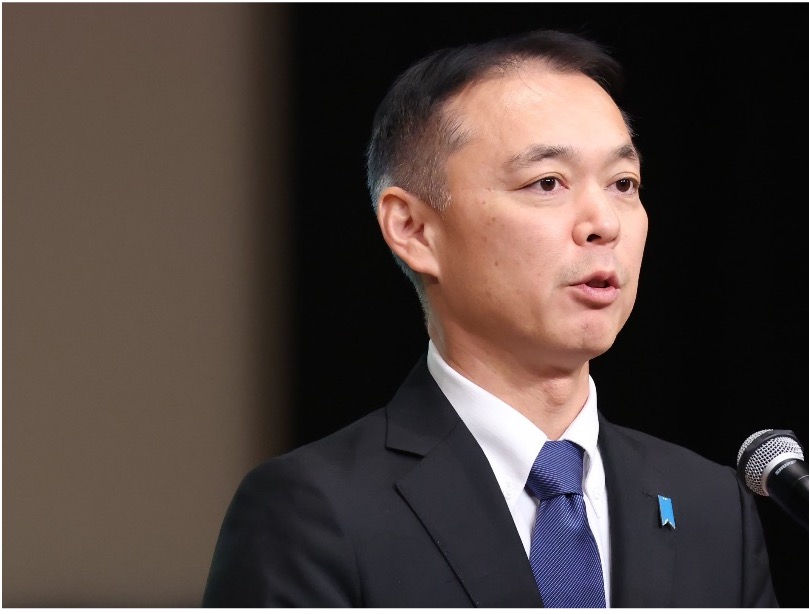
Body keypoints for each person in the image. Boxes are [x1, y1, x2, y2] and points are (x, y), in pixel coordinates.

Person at [202, 29, 779, 608]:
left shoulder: (711, 507)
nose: (605, 221)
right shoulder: (316, 511)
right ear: (414, 230)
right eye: (547, 182)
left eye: (623, 184)